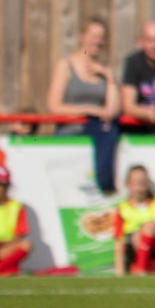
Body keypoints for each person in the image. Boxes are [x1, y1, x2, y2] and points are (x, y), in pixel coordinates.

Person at [46, 16, 121, 193]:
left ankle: (106, 186)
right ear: (82, 36)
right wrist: (89, 110)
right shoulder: (66, 65)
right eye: (94, 36)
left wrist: (109, 77)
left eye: (102, 37)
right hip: (71, 133)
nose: (98, 41)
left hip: (98, 135)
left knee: (110, 130)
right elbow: (54, 106)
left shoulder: (103, 71)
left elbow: (112, 110)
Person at [113, 165, 155, 277]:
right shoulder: (123, 207)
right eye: (135, 183)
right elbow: (119, 241)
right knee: (147, 228)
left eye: (142, 183)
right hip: (135, 248)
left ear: (147, 184)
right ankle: (140, 267)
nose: (139, 187)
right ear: (128, 184)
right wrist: (119, 270)